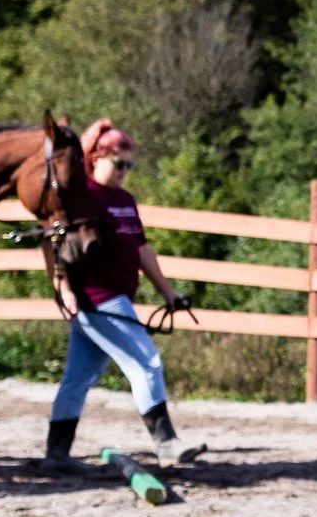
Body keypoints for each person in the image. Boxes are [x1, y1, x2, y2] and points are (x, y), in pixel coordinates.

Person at [42, 120, 199, 469]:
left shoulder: (124, 200)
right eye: (118, 163)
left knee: (77, 379)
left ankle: (56, 455)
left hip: (113, 297)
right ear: (95, 158)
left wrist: (168, 293)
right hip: (98, 297)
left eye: (130, 165)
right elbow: (51, 241)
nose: (124, 171)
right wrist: (62, 288)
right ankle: (167, 442)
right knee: (147, 362)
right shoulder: (82, 196)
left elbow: (142, 249)